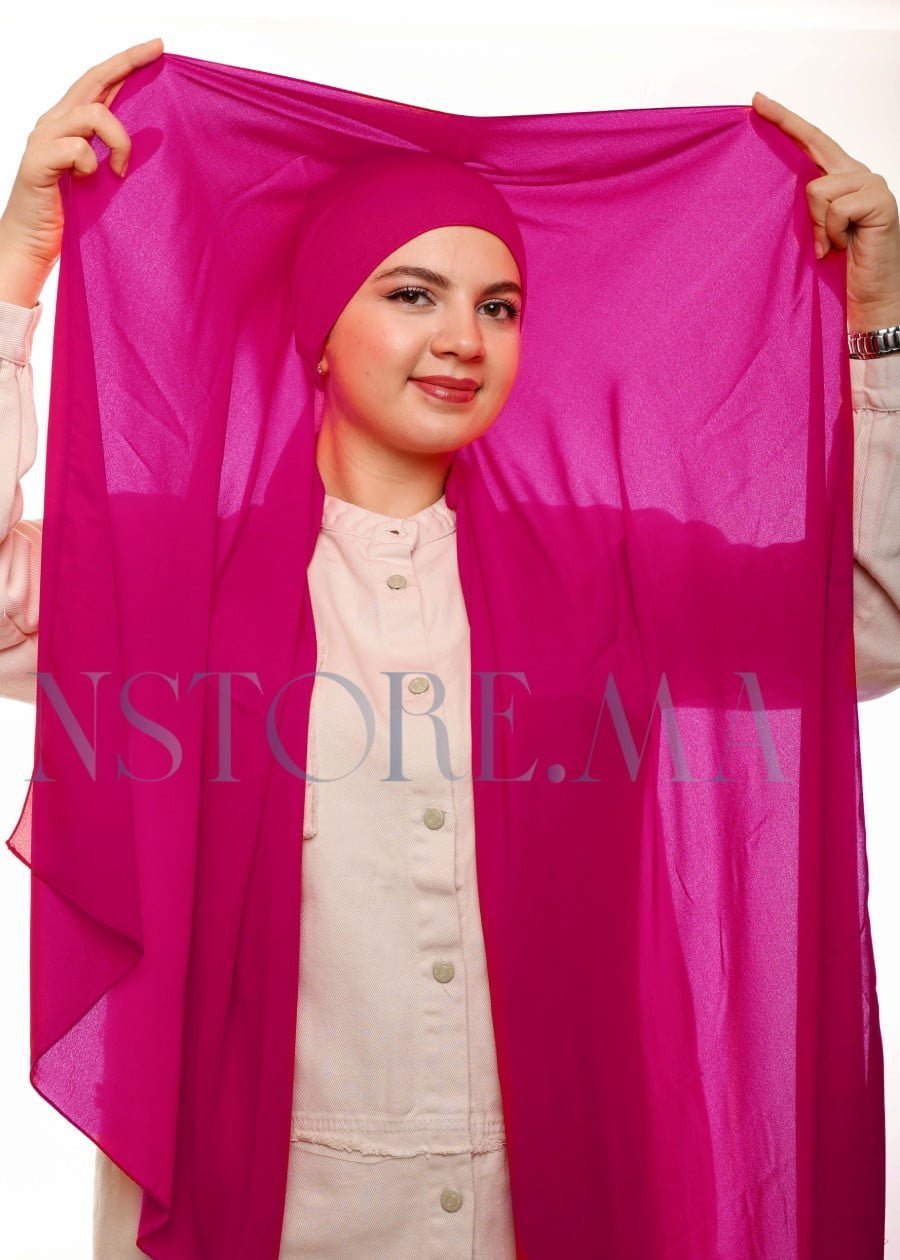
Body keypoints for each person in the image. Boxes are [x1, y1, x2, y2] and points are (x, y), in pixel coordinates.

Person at [1, 39, 899, 1260]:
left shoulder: (614, 576)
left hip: (553, 1207)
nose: (465, 339)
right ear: (322, 329)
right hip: (271, 1216)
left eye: (499, 306)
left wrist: (880, 331)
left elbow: (869, 622)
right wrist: (16, 272)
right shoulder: (171, 580)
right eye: (411, 294)